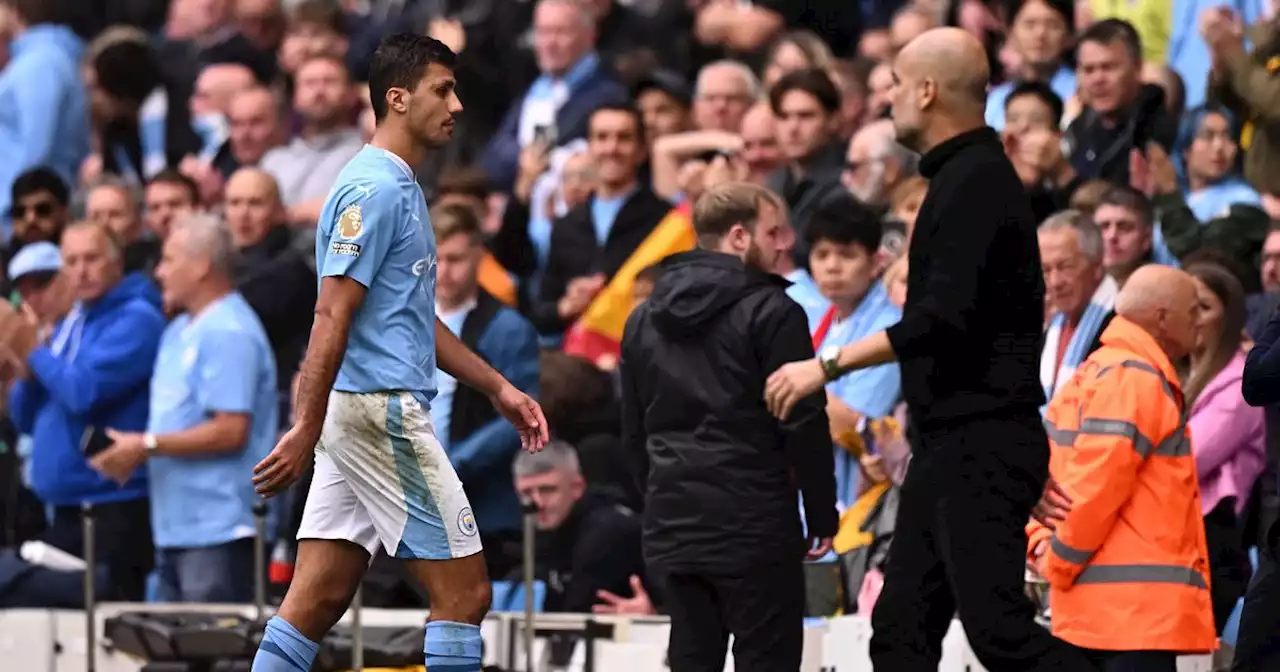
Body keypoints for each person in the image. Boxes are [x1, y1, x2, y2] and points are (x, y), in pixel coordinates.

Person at [764, 28, 1095, 670]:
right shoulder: (966, 177)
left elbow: (941, 321)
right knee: (900, 632)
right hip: (959, 445)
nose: (886, 98)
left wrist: (823, 364)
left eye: (893, 84)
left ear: (927, 89)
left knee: (998, 632)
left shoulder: (975, 180)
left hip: (976, 445)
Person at [248, 34, 548, 672]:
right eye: (443, 89)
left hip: (356, 413)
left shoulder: (394, 185)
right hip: (379, 413)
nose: (457, 105)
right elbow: (332, 311)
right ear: (397, 98)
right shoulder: (376, 192)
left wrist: (498, 387)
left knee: (317, 596)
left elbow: (411, 320)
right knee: (465, 596)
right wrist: (305, 424)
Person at [620, 181, 837, 671]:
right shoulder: (776, 312)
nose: (786, 243)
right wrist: (821, 515)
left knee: (692, 658)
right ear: (739, 237)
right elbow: (803, 423)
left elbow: (632, 434)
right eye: (774, 231)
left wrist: (659, 502)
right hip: (754, 526)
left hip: (674, 527)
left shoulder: (641, 320)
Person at [1027, 265, 1216, 671]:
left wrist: (1042, 546)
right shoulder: (1135, 377)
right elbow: (1094, 488)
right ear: (1163, 318)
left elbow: (1040, 475)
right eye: (1194, 308)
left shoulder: (1099, 370)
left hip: (1099, 614)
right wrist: (1056, 560)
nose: (1201, 320)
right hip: (1131, 620)